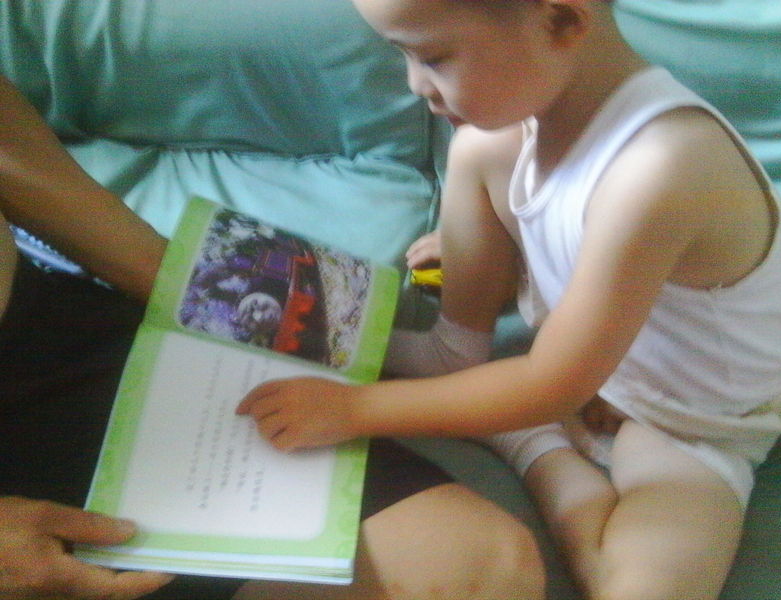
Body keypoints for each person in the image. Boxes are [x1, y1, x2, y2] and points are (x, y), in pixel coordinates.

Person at [235, 2, 781, 600]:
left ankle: (536, 446)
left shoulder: (661, 169)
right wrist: (493, 243)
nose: (415, 85)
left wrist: (354, 410)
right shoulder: (517, 128)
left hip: (697, 420)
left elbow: (553, 385)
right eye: (403, 55)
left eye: (433, 58)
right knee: (481, 147)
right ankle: (456, 352)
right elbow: (575, 214)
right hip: (606, 367)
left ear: (560, 20)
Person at [0, 73, 543, 600]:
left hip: (53, 331)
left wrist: (197, 293)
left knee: (484, 566)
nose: (417, 85)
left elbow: (29, 169)